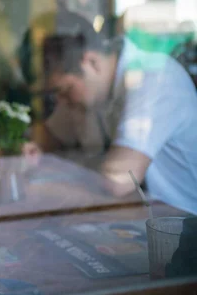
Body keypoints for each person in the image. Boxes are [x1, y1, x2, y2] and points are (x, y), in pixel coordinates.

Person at [30, 13, 197, 215]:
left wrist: (44, 188)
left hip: (181, 225)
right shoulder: (96, 85)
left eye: (65, 90)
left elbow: (119, 180)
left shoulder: (152, 77)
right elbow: (46, 138)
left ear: (91, 62)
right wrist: (30, 149)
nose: (62, 101)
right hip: (137, 216)